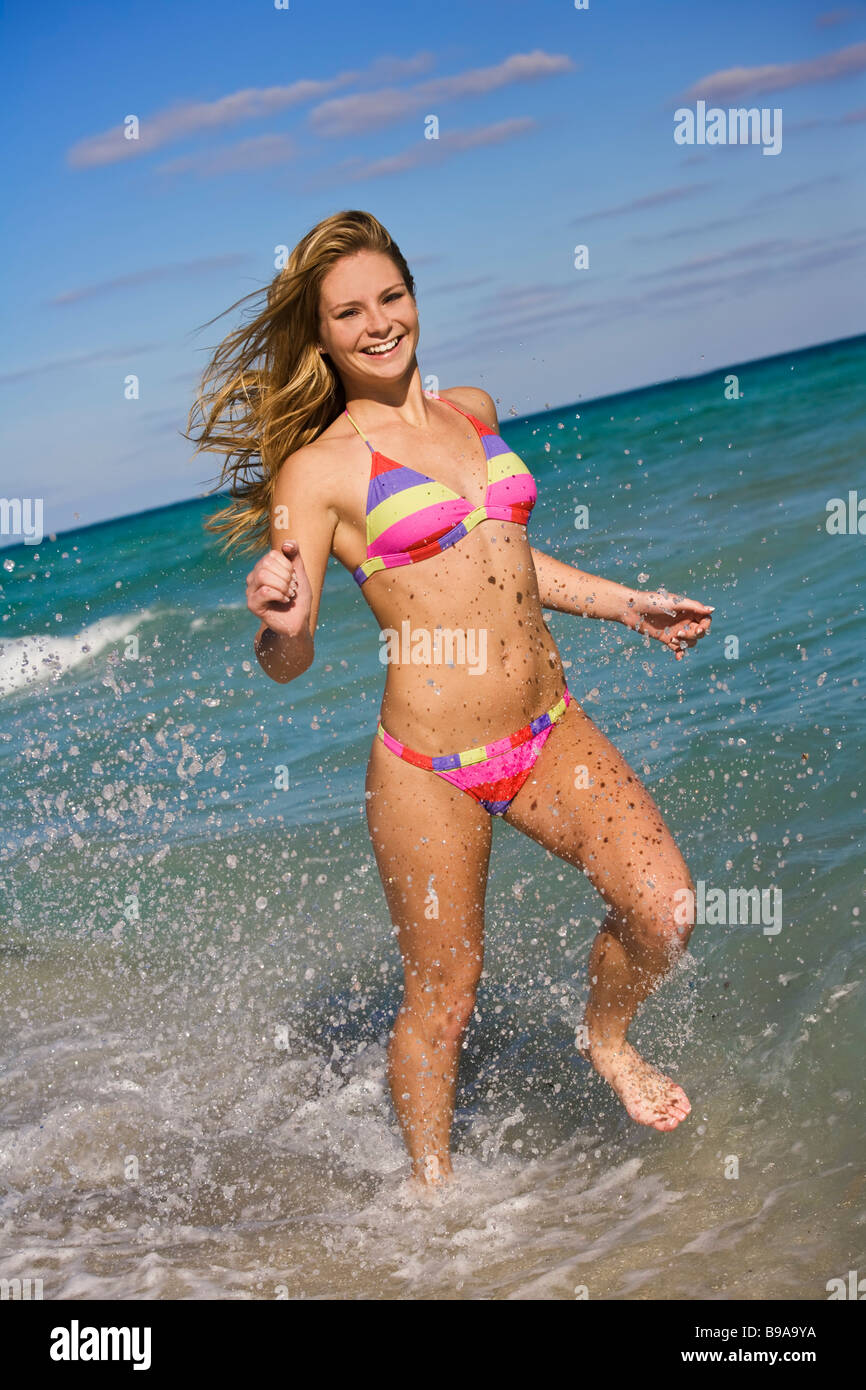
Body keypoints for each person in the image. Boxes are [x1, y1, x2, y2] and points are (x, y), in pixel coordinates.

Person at [188, 210, 712, 1189]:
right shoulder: (318, 471)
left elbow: (505, 560)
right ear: (319, 335)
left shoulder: (469, 408)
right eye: (349, 311)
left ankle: (605, 1039)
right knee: (444, 994)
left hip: (546, 728)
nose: (379, 321)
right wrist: (277, 619)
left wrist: (626, 606)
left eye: (392, 296)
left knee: (665, 908)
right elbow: (289, 652)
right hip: (429, 768)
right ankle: (430, 1205)